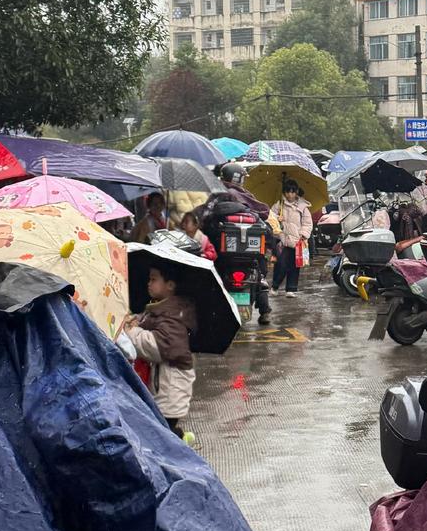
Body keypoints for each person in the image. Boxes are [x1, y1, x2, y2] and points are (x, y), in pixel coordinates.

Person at [123, 261, 197, 434]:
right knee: (161, 432)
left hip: (169, 391)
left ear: (170, 285)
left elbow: (158, 346)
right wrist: (136, 320)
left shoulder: (174, 316)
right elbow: (148, 321)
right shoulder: (159, 308)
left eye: (154, 279)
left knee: (163, 433)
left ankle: (180, 442)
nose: (149, 283)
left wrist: (131, 331)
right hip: (161, 388)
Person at [199, 164, 272, 325]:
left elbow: (203, 219)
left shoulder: (214, 194)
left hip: (221, 254)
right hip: (249, 253)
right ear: (237, 178)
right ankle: (265, 310)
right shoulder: (240, 195)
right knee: (260, 276)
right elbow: (264, 213)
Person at [269, 178, 314, 295]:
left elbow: (307, 223)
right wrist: (277, 219)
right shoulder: (279, 205)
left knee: (294, 266)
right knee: (281, 265)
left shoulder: (303, 207)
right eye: (288, 192)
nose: (290, 195)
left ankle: (291, 289)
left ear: (296, 192)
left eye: (292, 192)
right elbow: (270, 219)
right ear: (284, 192)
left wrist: (303, 235)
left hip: (297, 241)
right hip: (282, 240)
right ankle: (275, 287)